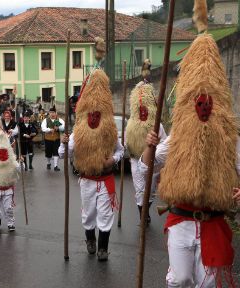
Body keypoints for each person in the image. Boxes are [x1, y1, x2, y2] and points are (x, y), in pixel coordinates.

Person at [140, 4, 240, 286]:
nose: (204, 105)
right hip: (181, 221)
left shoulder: (230, 137)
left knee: (208, 282)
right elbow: (148, 165)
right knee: (180, 278)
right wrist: (149, 145)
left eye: (210, 101)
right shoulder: (177, 137)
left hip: (215, 224)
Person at [59, 39, 124, 261]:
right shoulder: (78, 132)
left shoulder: (110, 131)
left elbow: (121, 151)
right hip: (86, 179)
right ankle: (90, 240)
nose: (94, 116)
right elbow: (63, 154)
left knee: (105, 214)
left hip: (106, 179)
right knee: (89, 214)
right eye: (91, 113)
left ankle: (104, 248)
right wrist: (64, 142)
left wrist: (112, 161)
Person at [125, 59, 167, 223]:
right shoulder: (130, 124)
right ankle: (143, 214)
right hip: (136, 160)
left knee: (149, 190)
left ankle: (146, 210)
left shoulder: (158, 126)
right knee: (139, 189)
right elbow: (126, 142)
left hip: (152, 163)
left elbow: (164, 144)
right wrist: (129, 152)